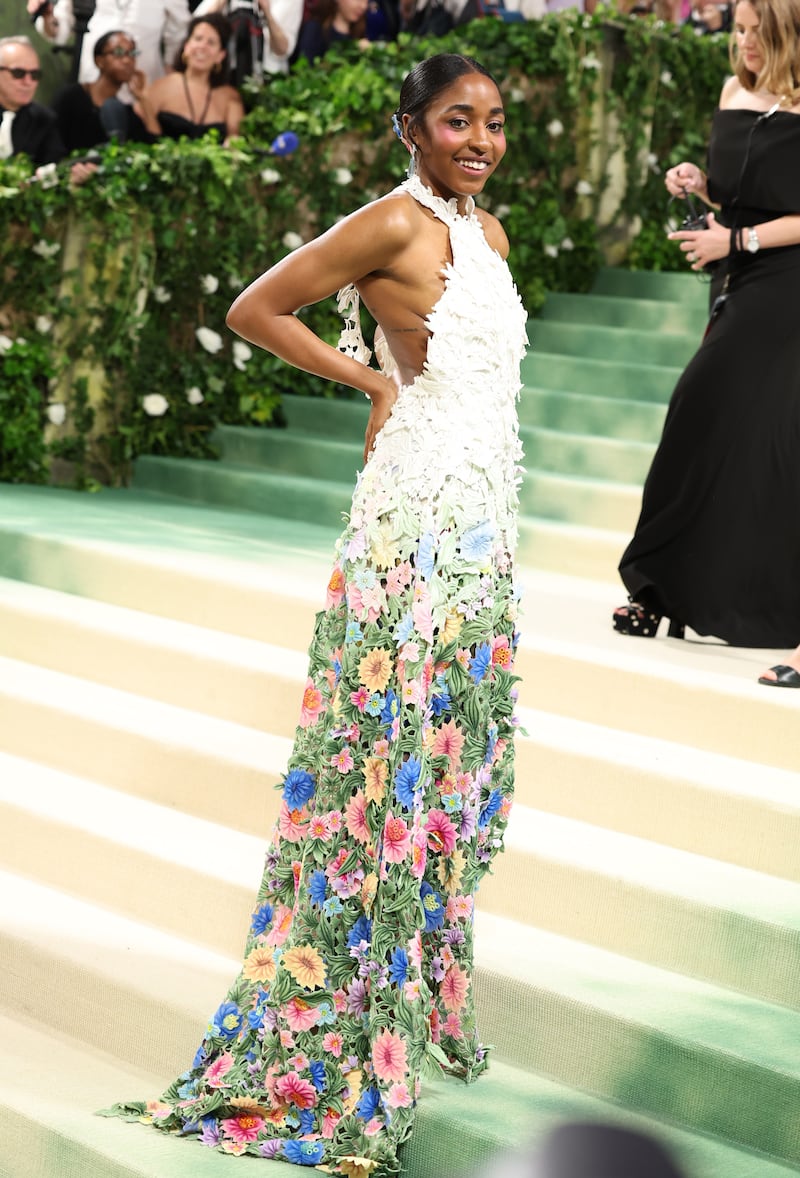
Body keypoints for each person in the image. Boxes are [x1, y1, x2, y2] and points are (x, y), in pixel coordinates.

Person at [101, 52, 527, 1173]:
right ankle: (335, 1037)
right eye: (455, 121)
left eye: (491, 122)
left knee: (440, 777)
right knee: (379, 779)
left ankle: (379, 1009)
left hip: (478, 532)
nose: (478, 140)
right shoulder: (388, 224)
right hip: (412, 537)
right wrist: (374, 385)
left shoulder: (484, 236)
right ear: (409, 128)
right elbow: (257, 306)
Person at [613, 0, 800, 674]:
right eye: (739, 31)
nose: (745, 43)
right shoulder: (735, 90)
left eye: (759, 32)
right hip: (737, 273)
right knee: (703, 417)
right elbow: (740, 188)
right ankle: (662, 589)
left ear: (788, 32)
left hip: (787, 282)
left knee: (717, 408)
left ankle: (759, 602)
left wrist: (738, 237)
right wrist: (700, 184)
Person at [30, 0, 191, 87]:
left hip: (143, 86)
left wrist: (171, 83)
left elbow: (178, 36)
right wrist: (47, 16)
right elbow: (59, 31)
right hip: (93, 81)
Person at [136, 14, 244, 142]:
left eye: (211, 42)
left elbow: (236, 140)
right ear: (186, 47)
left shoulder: (229, 97)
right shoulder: (161, 87)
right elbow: (141, 133)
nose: (202, 47)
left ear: (220, 56)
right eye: (198, 39)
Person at [51, 31, 154, 152]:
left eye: (132, 53)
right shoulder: (71, 97)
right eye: (119, 53)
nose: (127, 60)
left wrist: (143, 99)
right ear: (99, 61)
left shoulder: (123, 112)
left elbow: (153, 145)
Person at [0, 35, 66, 165]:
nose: (28, 82)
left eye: (35, 75)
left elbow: (55, 166)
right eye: (18, 73)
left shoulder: (44, 119)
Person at [192, 0, 292, 83]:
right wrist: (220, 3)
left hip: (267, 79)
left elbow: (282, 49)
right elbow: (191, 34)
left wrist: (267, 12)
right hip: (224, 77)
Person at [294, 0, 370, 60]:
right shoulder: (315, 29)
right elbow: (306, 70)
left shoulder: (359, 32)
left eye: (366, 1)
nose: (363, 6)